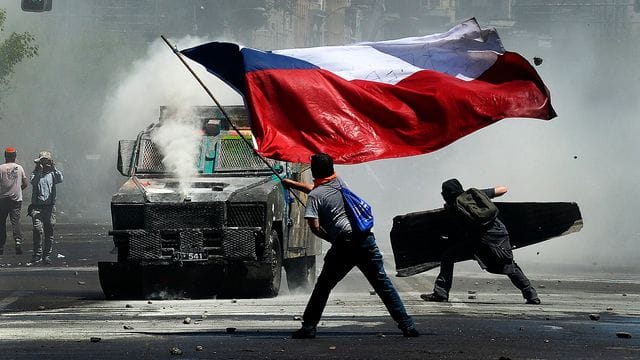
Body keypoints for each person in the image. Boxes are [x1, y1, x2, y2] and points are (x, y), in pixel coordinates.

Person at [282, 153, 419, 339]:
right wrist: (292, 184)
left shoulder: (315, 196)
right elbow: (316, 189)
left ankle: (308, 327)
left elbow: (314, 225)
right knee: (383, 285)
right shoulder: (339, 182)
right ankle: (407, 325)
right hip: (366, 240)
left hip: (344, 245)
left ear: (314, 171)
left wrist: (330, 237)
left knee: (323, 286)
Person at [420, 178, 540, 305]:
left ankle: (441, 293)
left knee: (448, 257)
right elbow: (503, 189)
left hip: (477, 240)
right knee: (510, 266)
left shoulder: (453, 207)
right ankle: (532, 296)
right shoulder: (474, 194)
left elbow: (451, 231)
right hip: (497, 235)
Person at [29, 151, 63, 265]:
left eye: (46, 160)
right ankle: (37, 254)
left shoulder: (53, 174)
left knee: (49, 232)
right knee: (38, 230)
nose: (44, 162)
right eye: (42, 160)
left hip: (49, 207)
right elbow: (33, 181)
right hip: (37, 207)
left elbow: (60, 179)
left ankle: (46, 255)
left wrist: (53, 167)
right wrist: (39, 169)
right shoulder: (35, 173)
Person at [0, 147, 29, 255]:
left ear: (5, 156)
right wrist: (17, 190)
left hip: (2, 199)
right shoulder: (19, 168)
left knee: (1, 222)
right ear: (15, 156)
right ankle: (17, 241)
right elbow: (25, 183)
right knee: (15, 221)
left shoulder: (1, 168)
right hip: (16, 199)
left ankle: (1, 245)